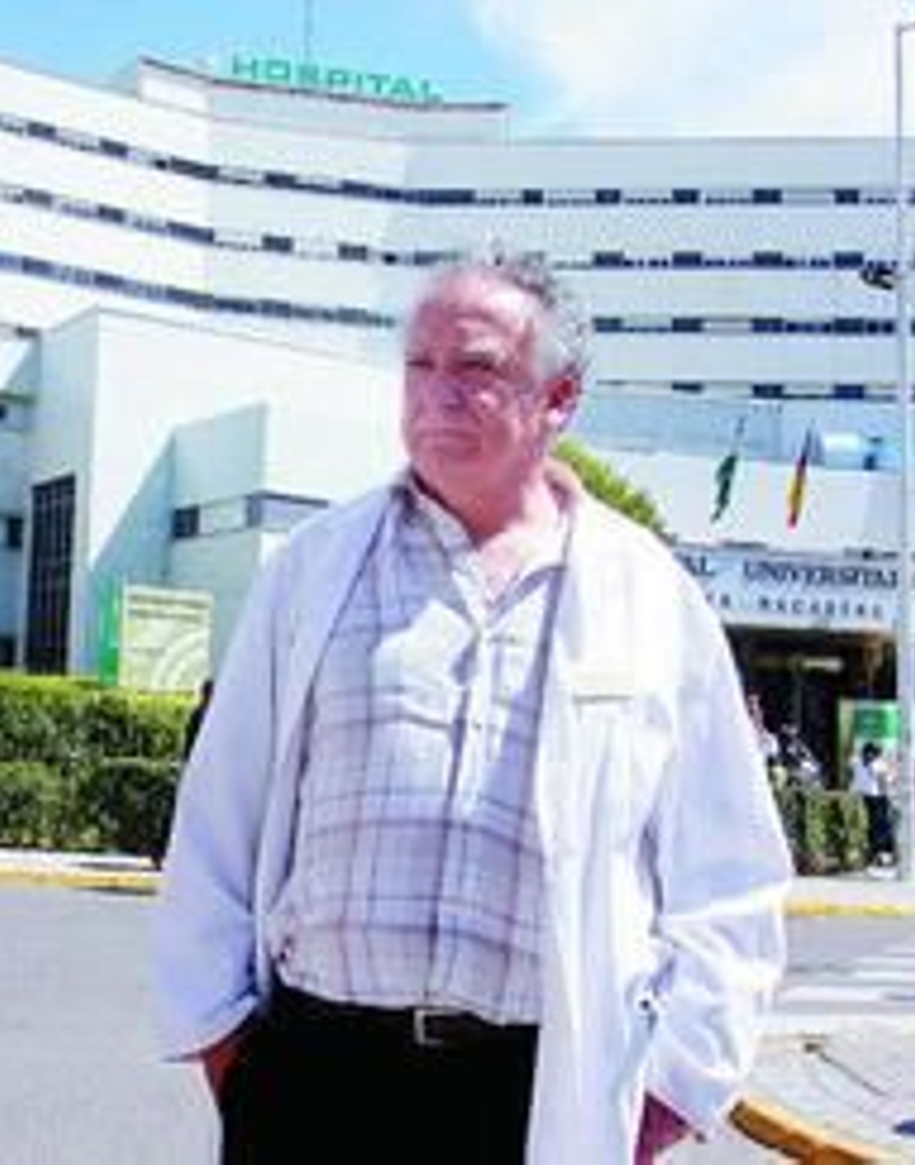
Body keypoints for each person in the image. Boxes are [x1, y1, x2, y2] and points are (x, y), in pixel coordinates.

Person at [152, 251, 792, 1163]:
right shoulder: (316, 567)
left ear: (559, 398)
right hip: (315, 1078)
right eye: (421, 365)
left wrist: (671, 1092)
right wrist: (230, 1051)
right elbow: (219, 815)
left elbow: (729, 876)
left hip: (531, 1094)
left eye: (477, 368)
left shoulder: (648, 594)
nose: (437, 393)